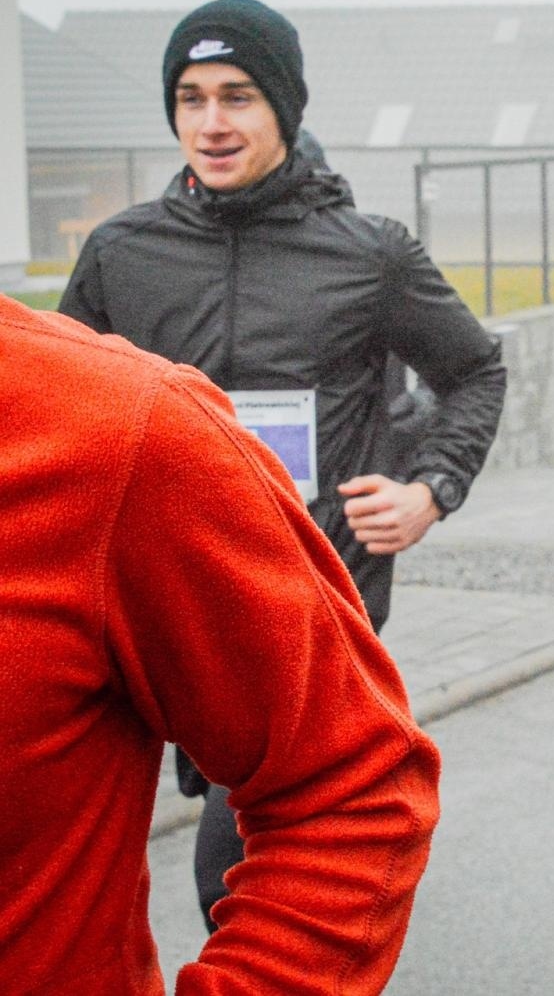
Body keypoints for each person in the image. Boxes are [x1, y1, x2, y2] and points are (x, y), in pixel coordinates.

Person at [58, 0, 506, 931]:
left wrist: (431, 489)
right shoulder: (121, 254)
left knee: (236, 874)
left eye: (239, 96)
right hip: (168, 605)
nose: (212, 123)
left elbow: (475, 369)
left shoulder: (368, 253)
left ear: (285, 111)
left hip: (309, 600)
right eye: (190, 97)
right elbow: (59, 413)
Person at [0, 295, 441, 992]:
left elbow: (355, 784)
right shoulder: (126, 248)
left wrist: (432, 485)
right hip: (153, 621)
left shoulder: (128, 420)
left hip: (289, 538)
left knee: (225, 856)